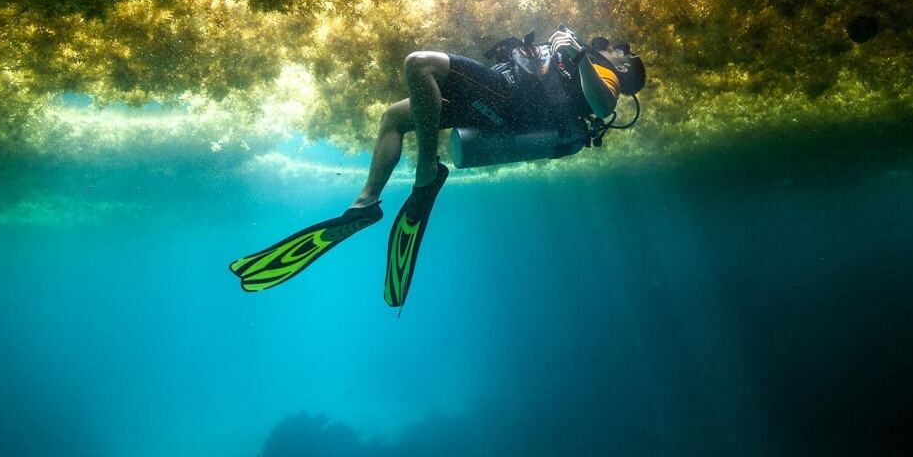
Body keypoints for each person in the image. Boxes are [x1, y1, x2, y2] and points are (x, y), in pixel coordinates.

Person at [229, 26, 646, 307]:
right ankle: (366, 202)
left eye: (619, 50)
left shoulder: (604, 72)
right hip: (499, 103)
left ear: (624, 67)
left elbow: (603, 103)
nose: (610, 46)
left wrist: (574, 50)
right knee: (394, 117)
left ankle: (426, 171)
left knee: (419, 63)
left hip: (508, 99)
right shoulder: (580, 58)